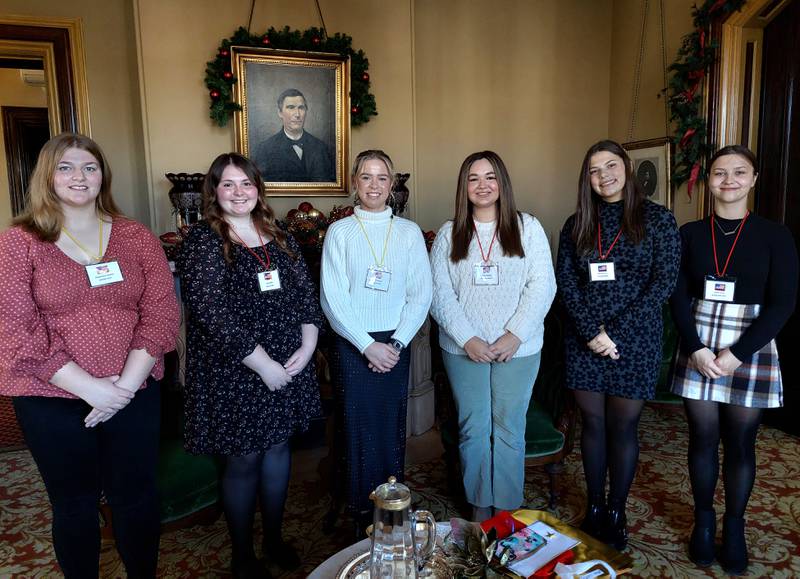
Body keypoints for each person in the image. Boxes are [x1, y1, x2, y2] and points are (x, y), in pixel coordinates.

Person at [0, 133, 180, 578]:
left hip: (133, 387)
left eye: (89, 167)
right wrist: (91, 389)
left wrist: (121, 389)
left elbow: (161, 311)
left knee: (136, 495)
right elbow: (16, 327)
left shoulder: (135, 236)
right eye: (66, 167)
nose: (79, 177)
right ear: (47, 176)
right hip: (50, 396)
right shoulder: (18, 242)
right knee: (74, 503)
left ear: (103, 176)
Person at [178, 153, 323, 578]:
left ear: (258, 189)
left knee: (279, 448)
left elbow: (304, 293)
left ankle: (274, 538)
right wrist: (262, 364)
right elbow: (211, 312)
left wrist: (309, 343)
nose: (238, 192)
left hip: (288, 363)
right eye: (228, 184)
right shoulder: (203, 239)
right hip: (236, 369)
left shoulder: (279, 235)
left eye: (246, 183)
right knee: (244, 459)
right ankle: (242, 553)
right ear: (214, 191)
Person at [670, 145, 798, 574]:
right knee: (702, 438)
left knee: (741, 442)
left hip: (751, 346)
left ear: (754, 179)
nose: (729, 180)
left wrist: (736, 355)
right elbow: (677, 296)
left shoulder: (775, 235)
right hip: (700, 342)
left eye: (739, 172)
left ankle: (735, 525)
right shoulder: (689, 233)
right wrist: (698, 349)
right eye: (720, 173)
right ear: (709, 181)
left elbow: (783, 304)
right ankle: (703, 521)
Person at [555, 140, 680, 550]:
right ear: (586, 179)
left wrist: (615, 334)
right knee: (592, 425)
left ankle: (617, 509)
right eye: (594, 170)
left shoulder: (659, 220)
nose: (604, 175)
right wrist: (592, 332)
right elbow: (568, 285)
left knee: (623, 427)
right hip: (583, 339)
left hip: (636, 341)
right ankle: (593, 506)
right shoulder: (575, 226)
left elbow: (662, 283)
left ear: (626, 168)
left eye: (611, 165)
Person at [430, 151, 556, 521]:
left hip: (519, 348)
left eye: (490, 177)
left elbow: (542, 286)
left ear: (502, 183)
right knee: (473, 427)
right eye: (473, 178)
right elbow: (439, 294)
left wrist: (515, 334)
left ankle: (505, 509)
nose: (482, 185)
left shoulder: (527, 227)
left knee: (509, 428)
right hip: (462, 349)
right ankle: (480, 507)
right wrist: (468, 338)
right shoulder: (448, 233)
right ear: (463, 186)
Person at [320, 149, 432, 535]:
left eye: (382, 177)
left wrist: (396, 344)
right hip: (354, 345)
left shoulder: (409, 233)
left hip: (395, 344)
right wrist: (367, 345)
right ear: (355, 183)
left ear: (392, 184)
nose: (374, 185)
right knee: (356, 428)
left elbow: (421, 294)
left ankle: (392, 503)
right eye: (366, 177)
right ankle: (358, 510)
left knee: (389, 426)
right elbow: (332, 299)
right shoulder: (340, 232)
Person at [254, 88, 335, 183]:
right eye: (291, 107)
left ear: (306, 111)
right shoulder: (265, 149)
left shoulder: (321, 147)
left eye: (301, 108)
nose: (297, 114)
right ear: (280, 113)